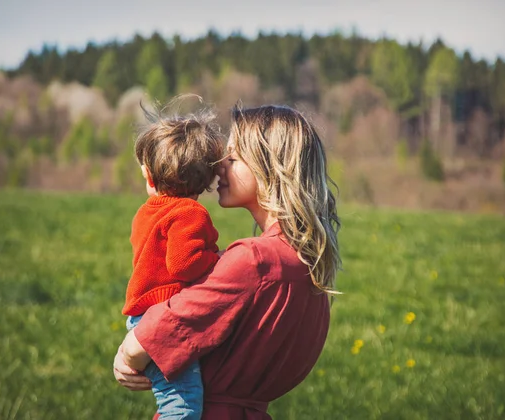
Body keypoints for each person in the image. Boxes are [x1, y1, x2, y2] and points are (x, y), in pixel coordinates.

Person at [114, 105, 341, 420]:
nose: (218, 167)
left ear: (269, 168)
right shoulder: (307, 265)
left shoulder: (255, 260)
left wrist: (127, 353)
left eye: (232, 159)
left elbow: (157, 332)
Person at [122, 110, 225, 419]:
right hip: (160, 319)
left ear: (149, 177)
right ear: (207, 180)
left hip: (143, 316)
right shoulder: (189, 213)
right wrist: (217, 261)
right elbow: (182, 264)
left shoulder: (147, 211)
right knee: (182, 404)